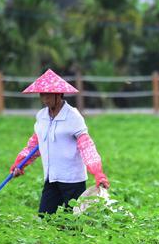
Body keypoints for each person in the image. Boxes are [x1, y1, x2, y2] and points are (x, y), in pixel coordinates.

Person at [10, 69, 109, 214]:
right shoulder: (41, 116)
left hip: (72, 180)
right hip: (51, 177)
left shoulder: (73, 116)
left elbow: (87, 148)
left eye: (48, 94)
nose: (44, 97)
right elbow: (35, 145)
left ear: (59, 94)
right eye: (42, 93)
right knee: (45, 216)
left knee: (73, 222)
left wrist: (98, 173)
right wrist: (20, 164)